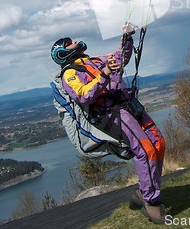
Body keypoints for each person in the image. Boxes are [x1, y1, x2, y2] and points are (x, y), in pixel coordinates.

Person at [50, 24, 167, 225]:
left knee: (158, 143)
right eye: (70, 43)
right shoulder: (68, 74)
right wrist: (104, 73)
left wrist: (127, 37)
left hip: (127, 104)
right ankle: (151, 202)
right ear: (62, 53)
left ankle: (144, 191)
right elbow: (83, 95)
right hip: (110, 113)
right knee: (145, 150)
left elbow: (121, 57)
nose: (76, 42)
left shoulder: (94, 60)